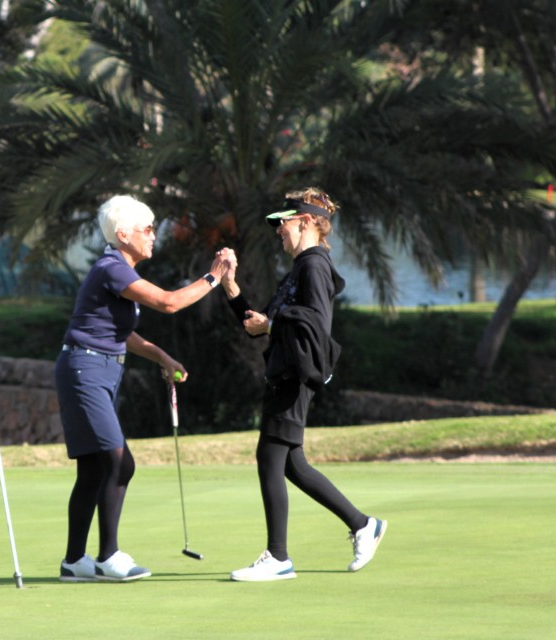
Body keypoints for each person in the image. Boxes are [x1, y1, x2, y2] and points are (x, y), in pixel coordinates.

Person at [56, 194, 233, 582]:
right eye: (147, 228)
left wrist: (162, 357)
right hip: (85, 370)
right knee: (119, 462)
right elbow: (169, 303)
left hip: (98, 370)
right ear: (123, 234)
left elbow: (120, 333)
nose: (154, 235)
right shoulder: (112, 268)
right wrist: (214, 277)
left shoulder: (118, 270)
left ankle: (73, 562)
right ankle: (108, 556)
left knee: (93, 469)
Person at [223, 187, 386, 582]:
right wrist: (229, 285)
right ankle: (363, 524)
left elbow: (315, 322)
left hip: (295, 375)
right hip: (286, 372)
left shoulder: (314, 265)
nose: (279, 229)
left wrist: (272, 325)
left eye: (286, 221)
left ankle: (278, 557)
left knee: (269, 457)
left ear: (309, 221)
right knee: (292, 465)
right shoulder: (301, 268)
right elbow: (258, 323)